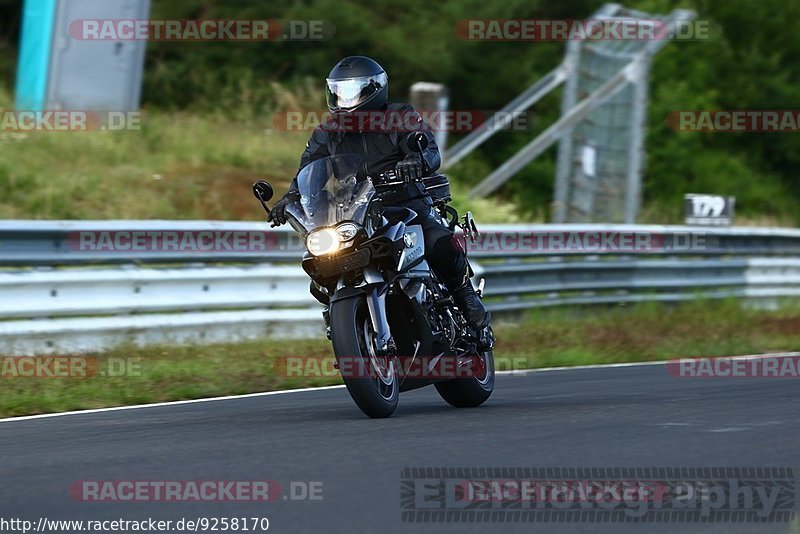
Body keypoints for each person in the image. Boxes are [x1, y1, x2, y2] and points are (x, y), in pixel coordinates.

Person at [269, 56, 490, 329]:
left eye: (350, 92)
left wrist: (414, 162)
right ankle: (343, 318)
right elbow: (310, 167)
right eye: (338, 92)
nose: (343, 99)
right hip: (355, 212)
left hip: (406, 203)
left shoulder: (400, 117)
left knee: (439, 244)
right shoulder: (328, 132)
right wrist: (291, 198)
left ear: (373, 89)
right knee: (323, 260)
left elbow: (429, 150)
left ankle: (464, 295)